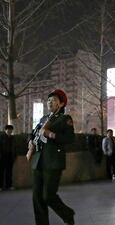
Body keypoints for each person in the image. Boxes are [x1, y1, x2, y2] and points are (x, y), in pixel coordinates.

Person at [25, 89, 75, 225]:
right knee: (37, 197)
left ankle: (67, 213)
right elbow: (33, 132)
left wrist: (51, 135)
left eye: (53, 100)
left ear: (61, 103)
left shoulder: (65, 119)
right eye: (48, 100)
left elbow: (70, 138)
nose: (49, 102)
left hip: (53, 161)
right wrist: (30, 140)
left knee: (48, 196)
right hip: (38, 160)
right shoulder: (43, 118)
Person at [0, 125, 17, 191]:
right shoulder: (1, 137)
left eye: (11, 130)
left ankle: (9, 186)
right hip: (2, 156)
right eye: (8, 130)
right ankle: (0, 186)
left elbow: (14, 147)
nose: (9, 131)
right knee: (1, 171)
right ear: (5, 130)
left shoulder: (13, 138)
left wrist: (14, 156)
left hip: (10, 156)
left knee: (9, 172)